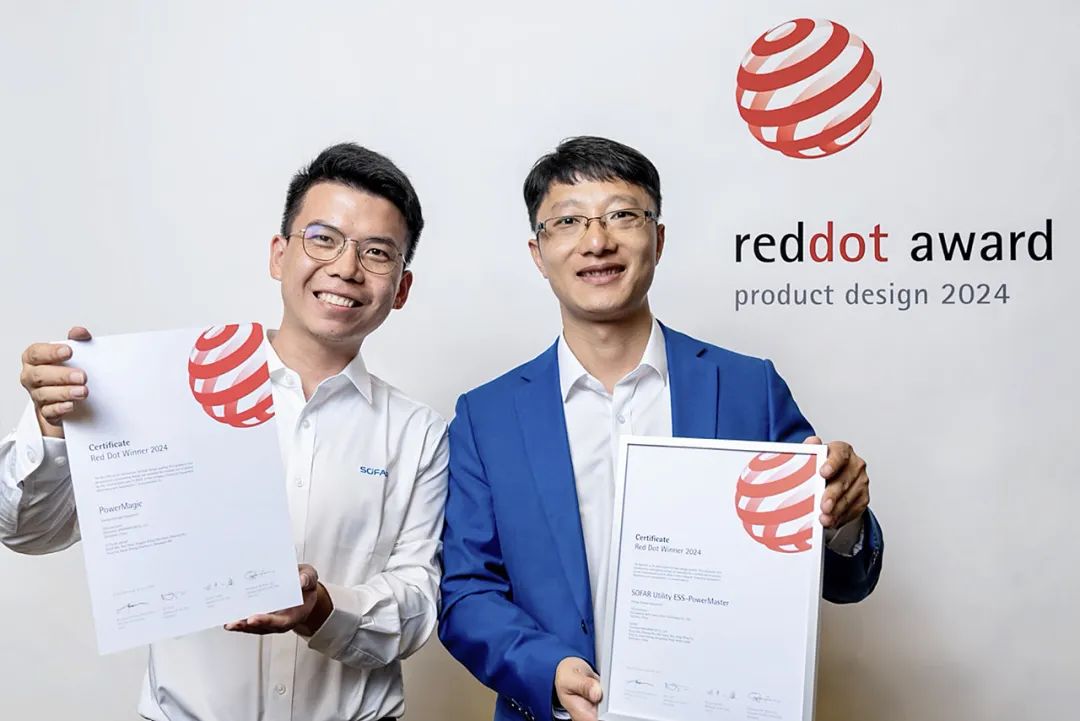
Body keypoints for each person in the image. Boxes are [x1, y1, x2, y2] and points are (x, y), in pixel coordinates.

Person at [438, 136, 884, 721]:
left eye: (622, 215)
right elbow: (467, 592)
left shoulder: (747, 388)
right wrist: (547, 672)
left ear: (659, 238)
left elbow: (842, 578)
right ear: (538, 252)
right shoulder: (487, 417)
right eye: (568, 221)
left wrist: (843, 517)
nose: (597, 241)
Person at [0, 143, 448, 721]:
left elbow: (417, 599)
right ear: (279, 255)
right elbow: (27, 531)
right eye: (323, 238)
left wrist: (321, 609)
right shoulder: (164, 388)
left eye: (377, 252)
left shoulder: (419, 433)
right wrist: (53, 427)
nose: (345, 267)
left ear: (401, 288)